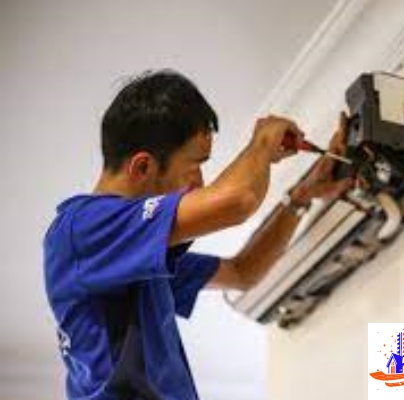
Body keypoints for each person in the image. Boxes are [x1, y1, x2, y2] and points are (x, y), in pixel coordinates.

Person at [43, 70, 352, 400]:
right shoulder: (83, 227)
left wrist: (302, 196)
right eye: (194, 166)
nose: (200, 183)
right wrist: (262, 142)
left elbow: (243, 272)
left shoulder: (133, 258)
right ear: (143, 167)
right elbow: (238, 200)